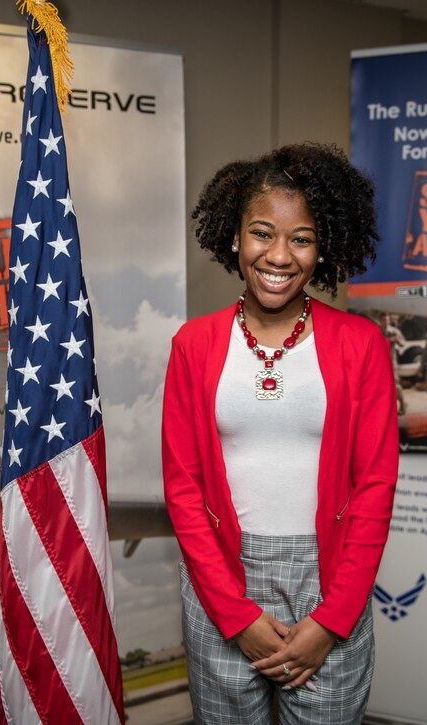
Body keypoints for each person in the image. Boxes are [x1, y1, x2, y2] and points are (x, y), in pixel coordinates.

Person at [162, 143, 398, 724]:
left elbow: (375, 488)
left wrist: (332, 621)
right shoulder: (193, 345)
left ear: (324, 248)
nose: (278, 255)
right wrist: (235, 615)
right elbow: (184, 488)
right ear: (234, 238)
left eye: (302, 238)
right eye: (262, 233)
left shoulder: (362, 345)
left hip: (330, 581)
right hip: (220, 581)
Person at [378, 312, 407, 415]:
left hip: (391, 363)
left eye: (387, 320)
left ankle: (402, 404)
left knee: (395, 385)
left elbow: (403, 343)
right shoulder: (377, 331)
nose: (386, 322)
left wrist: (397, 340)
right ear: (380, 321)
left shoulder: (394, 331)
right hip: (380, 364)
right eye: (384, 320)